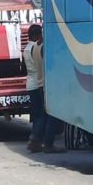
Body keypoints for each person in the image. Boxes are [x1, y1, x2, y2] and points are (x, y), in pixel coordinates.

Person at [24, 24, 62, 154]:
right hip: (42, 84)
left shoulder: (30, 47)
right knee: (46, 114)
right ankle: (42, 142)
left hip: (35, 82)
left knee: (39, 114)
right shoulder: (40, 47)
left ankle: (36, 140)